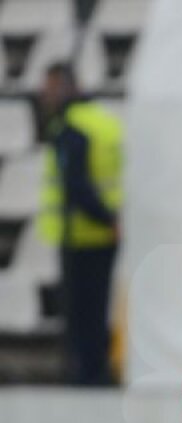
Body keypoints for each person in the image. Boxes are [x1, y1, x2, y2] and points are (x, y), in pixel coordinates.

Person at [37, 61, 122, 386]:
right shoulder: (104, 122)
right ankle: (97, 372)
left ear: (64, 86)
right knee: (97, 309)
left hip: (80, 235)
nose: (44, 95)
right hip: (104, 235)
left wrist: (104, 218)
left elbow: (76, 187)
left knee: (80, 314)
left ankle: (85, 377)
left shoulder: (71, 128)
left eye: (49, 87)